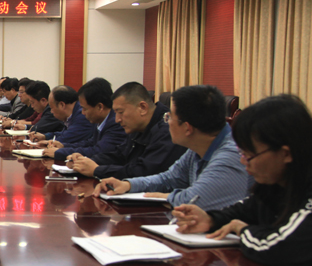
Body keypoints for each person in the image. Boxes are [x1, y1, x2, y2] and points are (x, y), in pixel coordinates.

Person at [172, 95, 312, 266]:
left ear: (286, 154)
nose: (242, 161)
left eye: (249, 155)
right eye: (242, 153)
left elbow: (280, 247)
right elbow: (245, 210)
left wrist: (243, 230)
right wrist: (211, 220)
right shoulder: (275, 183)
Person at [95, 85, 249, 211]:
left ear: (187, 128)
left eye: (169, 117)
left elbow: (196, 200)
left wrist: (168, 197)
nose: (166, 122)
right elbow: (169, 178)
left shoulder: (232, 154)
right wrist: (128, 185)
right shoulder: (197, 148)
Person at [68, 82, 185, 179]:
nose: (117, 119)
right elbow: (120, 155)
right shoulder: (137, 126)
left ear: (142, 108)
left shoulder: (168, 129)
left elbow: (145, 171)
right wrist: (85, 161)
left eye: (121, 112)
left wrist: (97, 170)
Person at [40, 78, 126, 160]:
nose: (83, 113)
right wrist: (64, 146)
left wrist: (60, 152)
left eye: (85, 109)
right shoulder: (101, 120)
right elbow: (90, 143)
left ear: (100, 107)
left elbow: (98, 151)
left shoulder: (115, 123)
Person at [29, 85, 94, 144]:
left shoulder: (82, 116)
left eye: (52, 108)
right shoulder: (72, 114)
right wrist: (45, 136)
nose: (51, 112)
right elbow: (64, 133)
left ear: (62, 105)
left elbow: (66, 138)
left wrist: (49, 142)